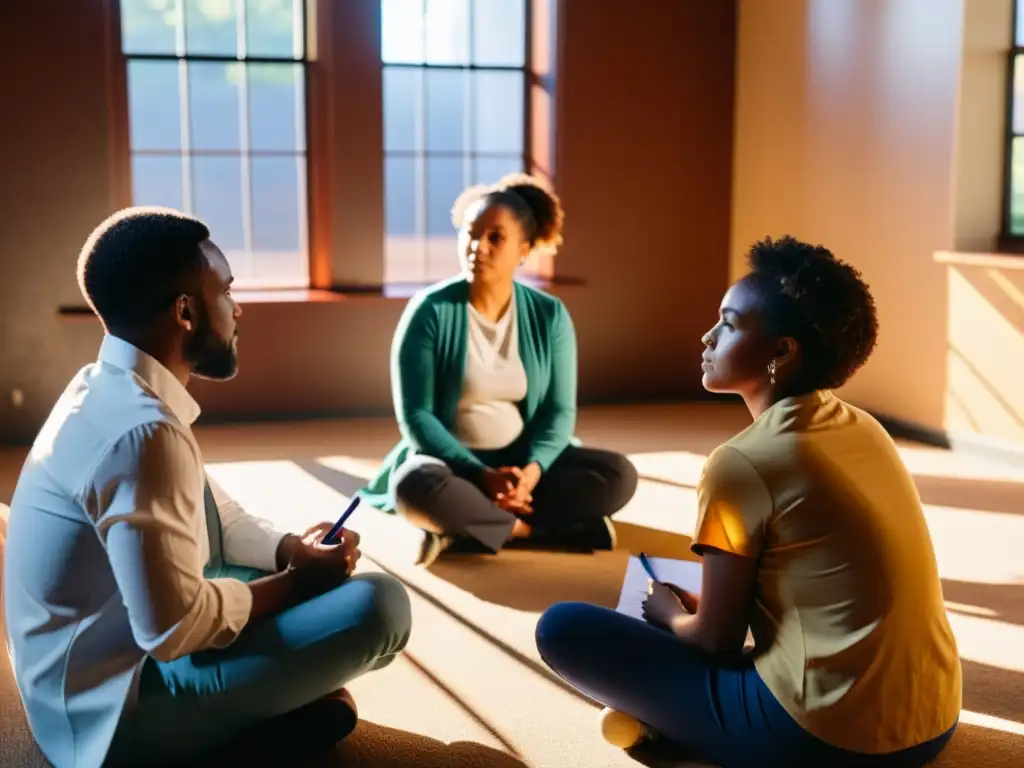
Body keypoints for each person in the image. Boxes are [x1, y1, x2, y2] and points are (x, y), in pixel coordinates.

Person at [2, 207, 412, 768]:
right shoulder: (142, 433)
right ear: (186, 311)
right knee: (381, 607)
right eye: (226, 290)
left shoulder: (109, 388)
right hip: (113, 720)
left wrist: (289, 551)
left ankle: (264, 709)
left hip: (78, 681)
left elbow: (214, 510)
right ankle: (235, 729)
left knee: (275, 581)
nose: (237, 308)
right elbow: (173, 629)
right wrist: (293, 585)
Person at [535, 236, 961, 767]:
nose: (707, 336)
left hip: (829, 740)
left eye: (730, 324)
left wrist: (668, 614)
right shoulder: (863, 426)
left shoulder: (741, 464)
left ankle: (690, 729)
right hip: (934, 719)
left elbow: (715, 639)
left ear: (782, 352)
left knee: (562, 626)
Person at [359, 174, 638, 566]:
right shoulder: (429, 311)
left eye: (495, 238)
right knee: (412, 485)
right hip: (451, 466)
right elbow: (417, 417)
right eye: (471, 234)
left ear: (523, 250)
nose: (478, 247)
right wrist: (479, 474)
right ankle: (537, 530)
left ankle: (469, 528)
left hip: (520, 469)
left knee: (617, 474)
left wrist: (532, 472)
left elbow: (560, 412)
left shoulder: (549, 314)